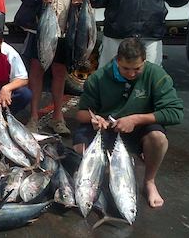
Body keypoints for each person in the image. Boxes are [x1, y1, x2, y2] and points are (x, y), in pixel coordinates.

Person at [74, 37, 183, 208]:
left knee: (158, 138)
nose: (131, 74)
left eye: (137, 69)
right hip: (108, 128)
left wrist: (136, 119)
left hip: (140, 128)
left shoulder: (156, 75)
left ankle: (149, 181)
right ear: (117, 61)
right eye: (125, 68)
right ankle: (100, 179)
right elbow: (81, 114)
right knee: (79, 150)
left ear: (144, 62)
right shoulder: (98, 78)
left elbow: (175, 113)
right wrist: (95, 119)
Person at [14, 0, 95, 135]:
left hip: (69, 26)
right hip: (40, 25)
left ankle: (58, 118)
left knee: (60, 72)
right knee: (36, 70)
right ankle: (33, 116)